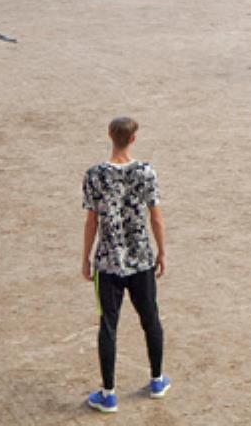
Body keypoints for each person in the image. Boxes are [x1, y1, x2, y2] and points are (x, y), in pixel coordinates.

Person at [82, 117, 170, 414]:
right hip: (142, 259)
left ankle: (108, 394)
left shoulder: (95, 175)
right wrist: (162, 252)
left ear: (110, 135)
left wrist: (85, 258)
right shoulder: (146, 172)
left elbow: (91, 220)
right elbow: (155, 217)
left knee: (108, 325)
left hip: (108, 262)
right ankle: (157, 380)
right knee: (150, 318)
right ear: (133, 139)